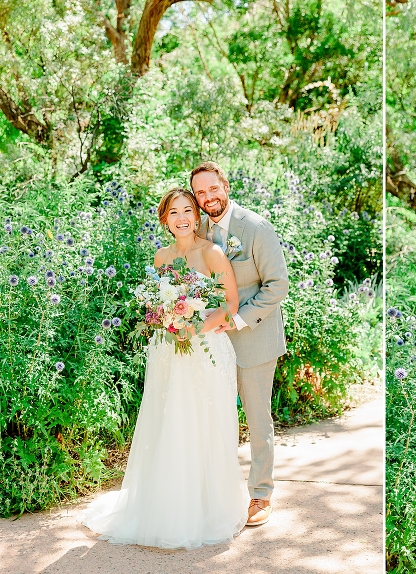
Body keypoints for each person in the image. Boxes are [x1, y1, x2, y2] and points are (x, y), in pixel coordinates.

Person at [79, 188, 247, 549]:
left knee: (204, 423)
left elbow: (230, 304)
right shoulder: (162, 256)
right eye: (174, 212)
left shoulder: (213, 253)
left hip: (205, 349)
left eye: (187, 210)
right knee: (169, 421)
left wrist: (193, 328)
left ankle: (205, 508)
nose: (182, 218)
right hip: (168, 348)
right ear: (164, 219)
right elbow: (157, 304)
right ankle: (166, 508)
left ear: (197, 216)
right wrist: (165, 319)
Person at [190, 162, 289, 527]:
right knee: (212, 415)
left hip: (254, 337)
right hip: (211, 341)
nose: (208, 197)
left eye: (213, 188)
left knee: (257, 419)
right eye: (200, 192)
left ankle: (261, 494)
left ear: (226, 186)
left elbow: (277, 285)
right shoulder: (197, 230)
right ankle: (213, 494)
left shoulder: (256, 227)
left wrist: (238, 319)